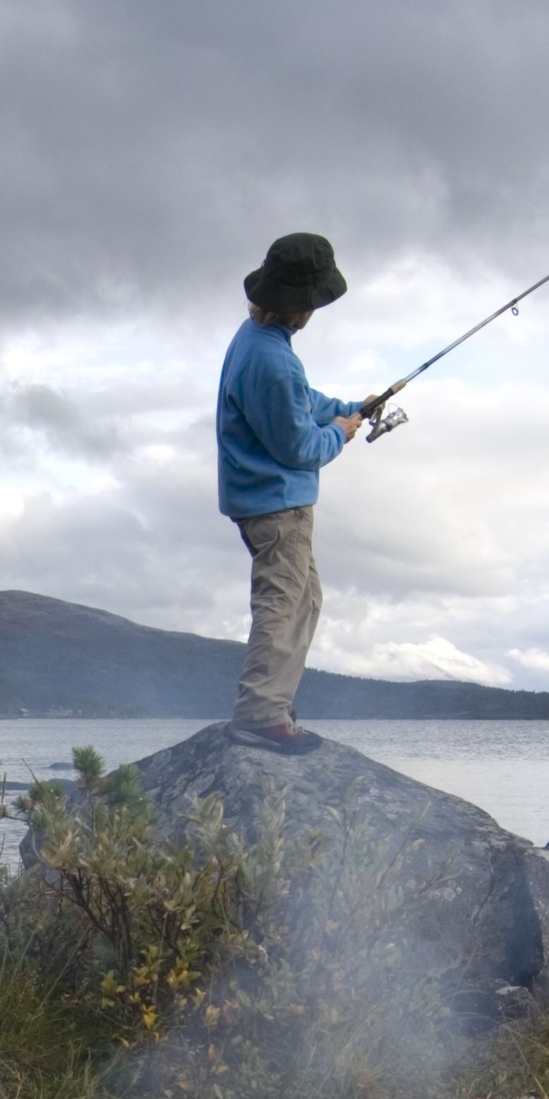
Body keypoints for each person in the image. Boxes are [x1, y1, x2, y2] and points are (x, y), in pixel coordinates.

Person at [216, 232, 372, 754]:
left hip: (261, 499)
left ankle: (273, 700)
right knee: (283, 604)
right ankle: (260, 714)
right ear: (303, 305)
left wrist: (353, 406)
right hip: (278, 504)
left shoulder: (255, 340)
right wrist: (341, 434)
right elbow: (300, 445)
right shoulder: (274, 361)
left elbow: (303, 400)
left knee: (305, 600)